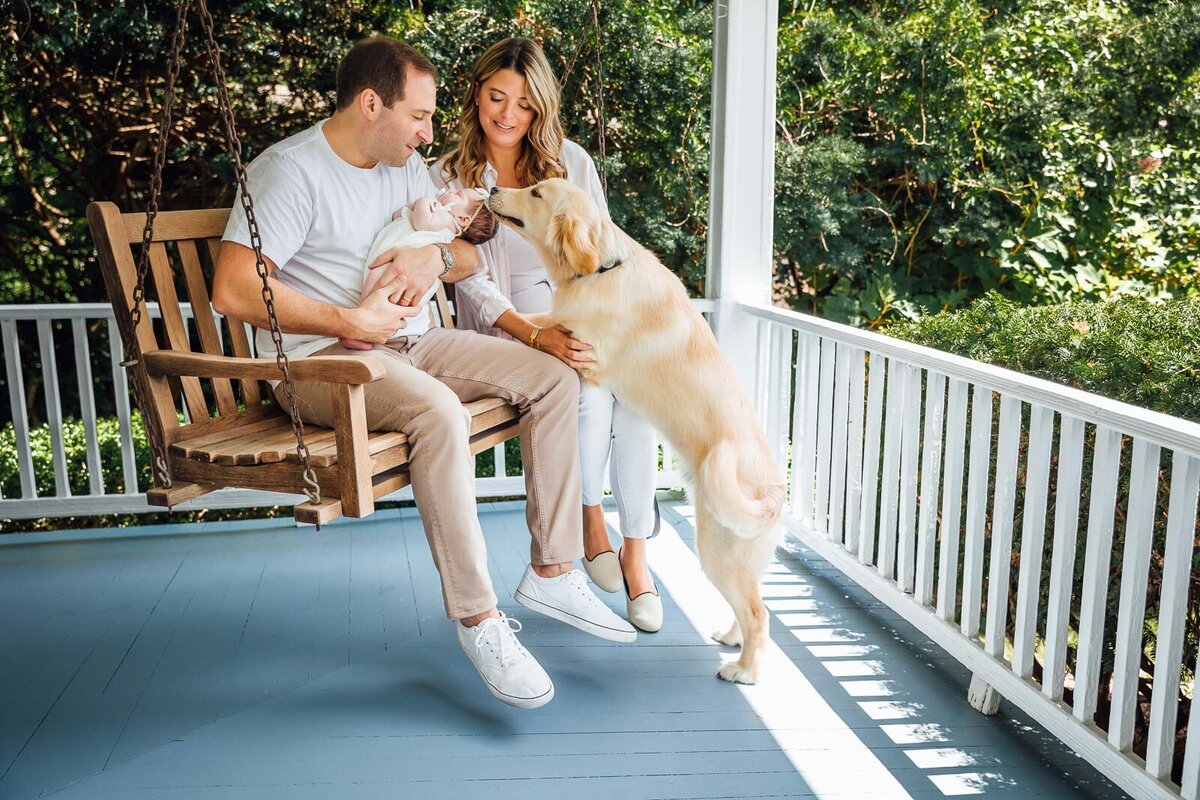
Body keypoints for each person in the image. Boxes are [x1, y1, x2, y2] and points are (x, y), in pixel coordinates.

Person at [211, 36, 636, 712]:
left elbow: (464, 258)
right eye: (419, 116)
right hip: (323, 364)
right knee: (438, 412)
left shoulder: (402, 168)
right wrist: (348, 317)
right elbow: (233, 290)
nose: (429, 132)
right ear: (371, 104)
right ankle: (480, 621)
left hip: (418, 343)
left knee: (551, 376)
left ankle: (552, 570)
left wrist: (431, 263)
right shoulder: (289, 172)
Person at [433, 38, 663, 632]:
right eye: (496, 97)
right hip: (508, 330)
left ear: (542, 110)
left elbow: (602, 249)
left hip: (582, 311)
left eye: (526, 105)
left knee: (637, 397)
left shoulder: (571, 163)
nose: (508, 115)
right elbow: (472, 285)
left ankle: (636, 553)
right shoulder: (452, 177)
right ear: (476, 95)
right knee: (585, 388)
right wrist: (537, 336)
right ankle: (590, 522)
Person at [338, 188, 498, 350]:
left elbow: (423, 222)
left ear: (463, 219)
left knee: (376, 292)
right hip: (394, 259)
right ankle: (362, 329)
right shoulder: (438, 211)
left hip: (399, 266)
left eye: (458, 194)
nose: (451, 190)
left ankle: (361, 331)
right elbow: (398, 215)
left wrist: (425, 200)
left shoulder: (447, 220)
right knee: (374, 294)